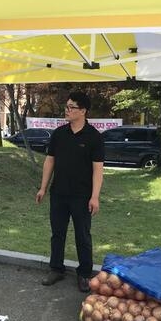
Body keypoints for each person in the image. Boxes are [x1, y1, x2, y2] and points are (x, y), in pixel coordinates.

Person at [35, 91, 104, 292]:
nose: (67, 110)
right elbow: (50, 161)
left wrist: (95, 196)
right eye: (66, 107)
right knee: (57, 233)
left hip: (82, 196)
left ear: (83, 111)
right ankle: (56, 268)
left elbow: (98, 169)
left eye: (71, 107)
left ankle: (84, 273)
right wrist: (43, 187)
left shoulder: (94, 137)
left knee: (83, 235)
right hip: (59, 193)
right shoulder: (59, 134)